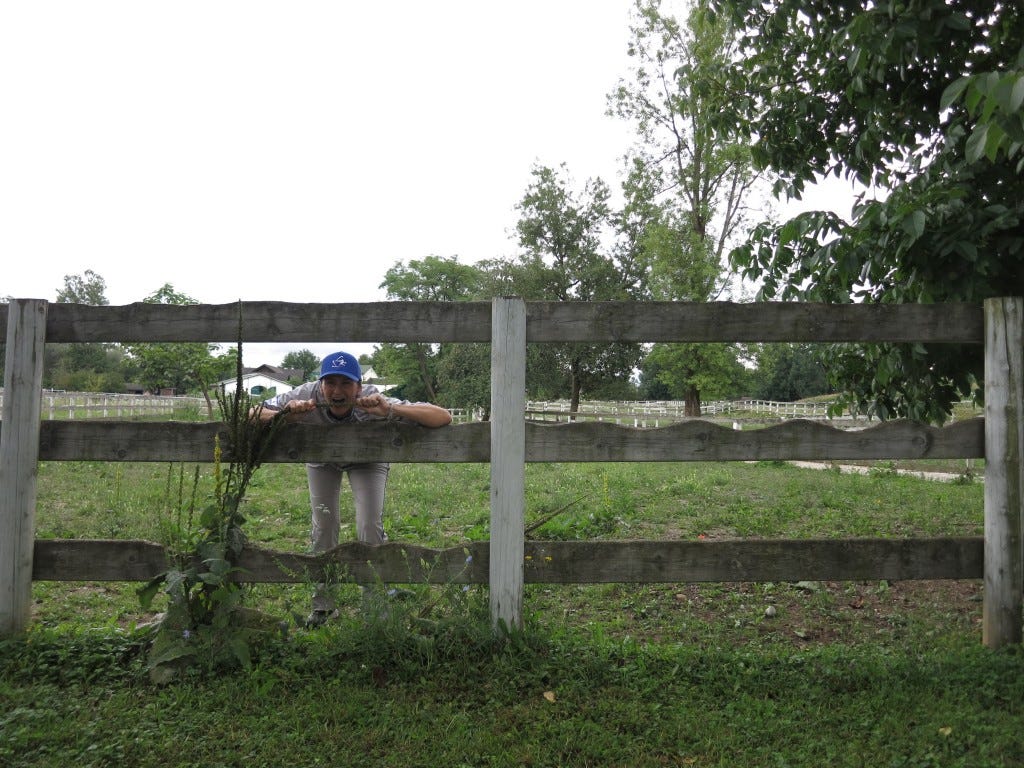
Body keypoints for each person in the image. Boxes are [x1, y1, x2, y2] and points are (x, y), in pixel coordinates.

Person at [253, 350, 452, 625]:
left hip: (367, 459)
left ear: (358, 386)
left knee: (369, 525)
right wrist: (286, 415)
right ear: (320, 385)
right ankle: (323, 607)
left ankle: (374, 602)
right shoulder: (305, 394)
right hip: (322, 459)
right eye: (330, 382)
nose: (337, 390)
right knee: (323, 525)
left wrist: (389, 410)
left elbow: (443, 417)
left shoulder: (372, 397)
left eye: (345, 383)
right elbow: (251, 413)